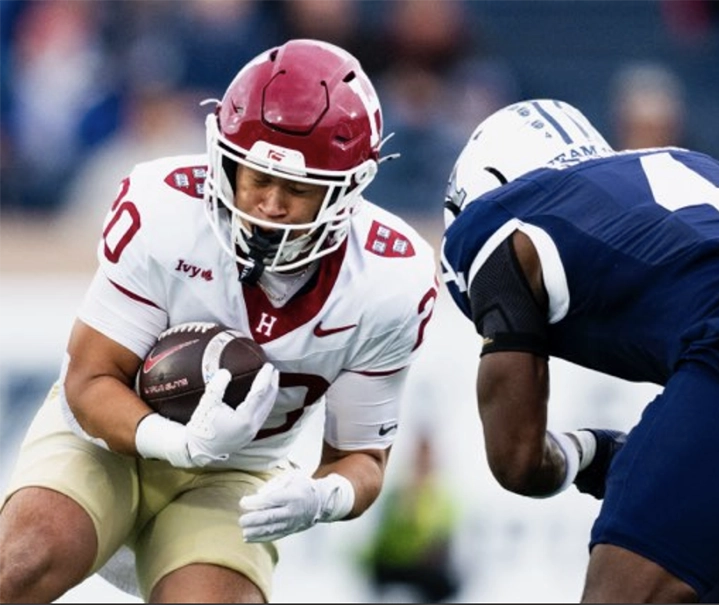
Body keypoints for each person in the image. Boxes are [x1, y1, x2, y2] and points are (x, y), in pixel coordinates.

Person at [0, 39, 438, 603]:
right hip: (106, 440)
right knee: (22, 559)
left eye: (298, 188)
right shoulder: (165, 208)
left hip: (238, 474)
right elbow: (90, 382)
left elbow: (361, 458)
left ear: (349, 190)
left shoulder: (388, 280)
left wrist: (321, 498)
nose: (270, 205)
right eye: (256, 178)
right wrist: (179, 442)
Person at [439, 98, 719, 603]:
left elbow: (518, 460)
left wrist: (588, 451)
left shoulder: (501, 223)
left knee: (617, 596)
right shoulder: (687, 163)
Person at [359, 432, 461, 603]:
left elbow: (444, 538)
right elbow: (384, 538)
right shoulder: (396, 494)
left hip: (427, 569)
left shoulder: (444, 498)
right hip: (394, 564)